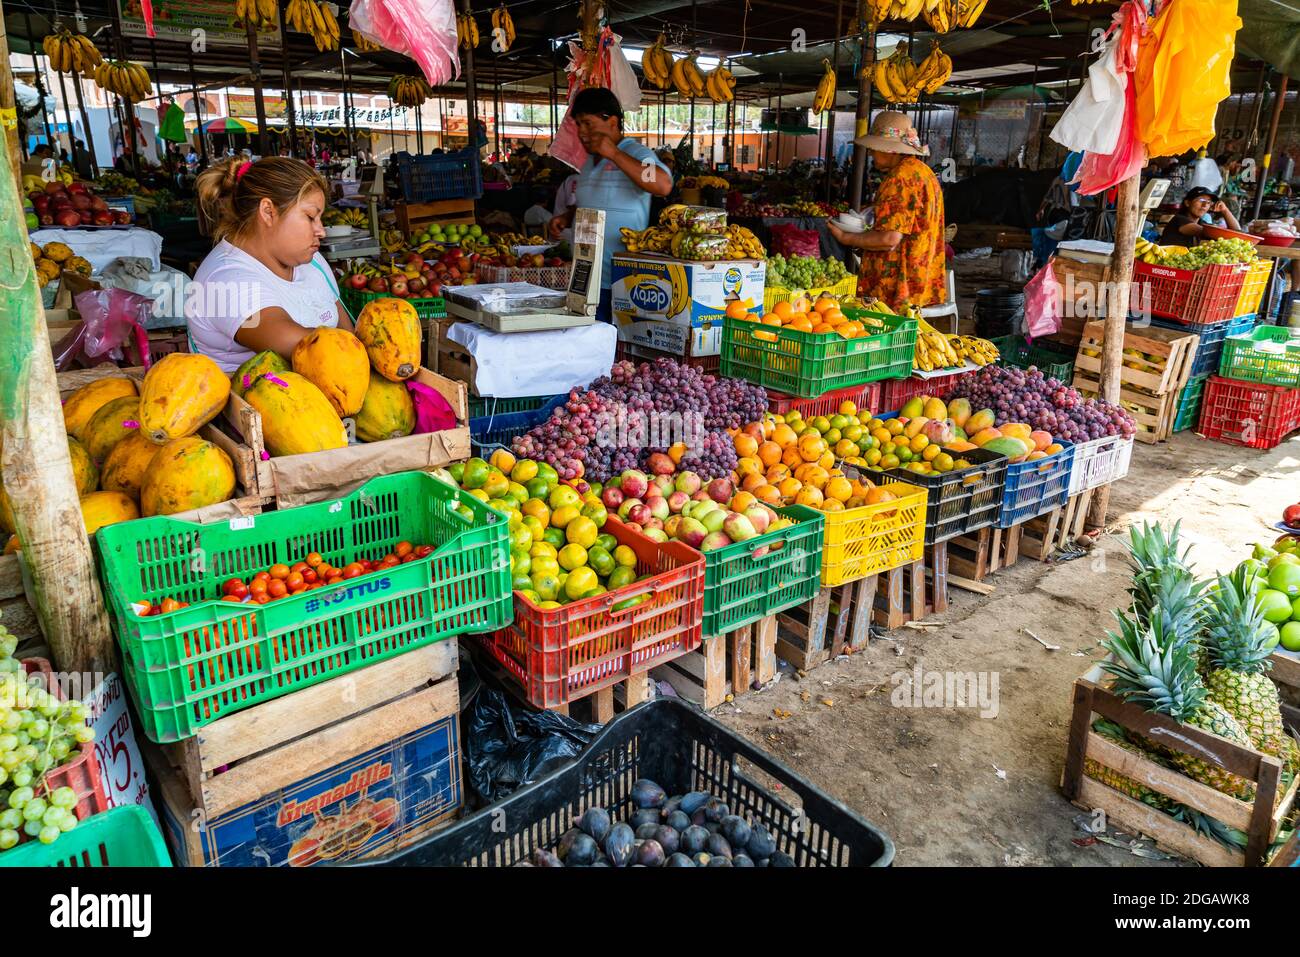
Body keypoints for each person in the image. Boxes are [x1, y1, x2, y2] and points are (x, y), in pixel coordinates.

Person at [188, 156, 353, 374]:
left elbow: (349, 336)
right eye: (310, 217)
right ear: (268, 212)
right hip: (251, 405)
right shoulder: (225, 281)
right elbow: (312, 350)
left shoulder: (313, 263)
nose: (321, 231)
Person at [548, 88, 672, 321]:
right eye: (578, 125)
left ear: (612, 121)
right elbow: (596, 200)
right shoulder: (589, 163)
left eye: (588, 123)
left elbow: (662, 184)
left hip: (624, 283)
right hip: (586, 281)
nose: (582, 132)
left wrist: (614, 153)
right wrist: (567, 216)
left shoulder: (636, 153)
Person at [827, 111, 946, 311]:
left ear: (891, 150)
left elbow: (889, 238)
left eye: (874, 148)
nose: (871, 154)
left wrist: (846, 238)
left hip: (895, 289)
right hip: (919, 281)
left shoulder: (899, 179)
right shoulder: (924, 173)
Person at [1158, 186, 1241, 246]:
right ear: (1187, 203)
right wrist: (1236, 237)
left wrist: (1225, 210)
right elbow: (1211, 233)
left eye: (1209, 202)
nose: (1205, 205)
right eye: (1201, 200)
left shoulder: (1201, 223)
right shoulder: (1179, 220)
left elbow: (1237, 231)